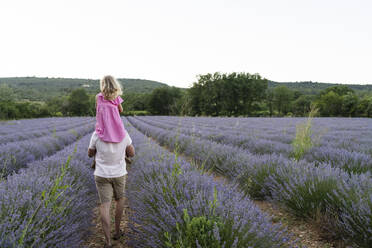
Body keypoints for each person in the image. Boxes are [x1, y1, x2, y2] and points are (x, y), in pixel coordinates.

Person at [91, 75, 127, 169]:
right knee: (125, 137)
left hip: (102, 125)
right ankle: (126, 155)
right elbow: (121, 110)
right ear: (114, 84)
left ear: (102, 85)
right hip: (115, 124)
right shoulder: (116, 97)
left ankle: (95, 160)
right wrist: (113, 111)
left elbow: (97, 108)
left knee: (94, 140)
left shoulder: (98, 97)